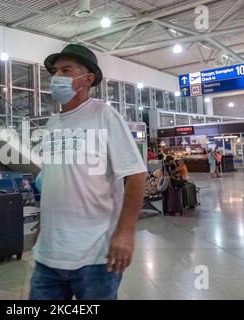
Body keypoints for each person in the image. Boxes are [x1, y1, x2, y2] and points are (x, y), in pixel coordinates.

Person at [30, 44, 147, 300]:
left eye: (66, 70)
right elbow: (55, 178)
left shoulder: (104, 115)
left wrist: (125, 232)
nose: (56, 77)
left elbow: (136, 176)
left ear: (88, 78)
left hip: (96, 257)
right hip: (48, 256)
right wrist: (43, 224)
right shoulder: (51, 123)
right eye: (54, 71)